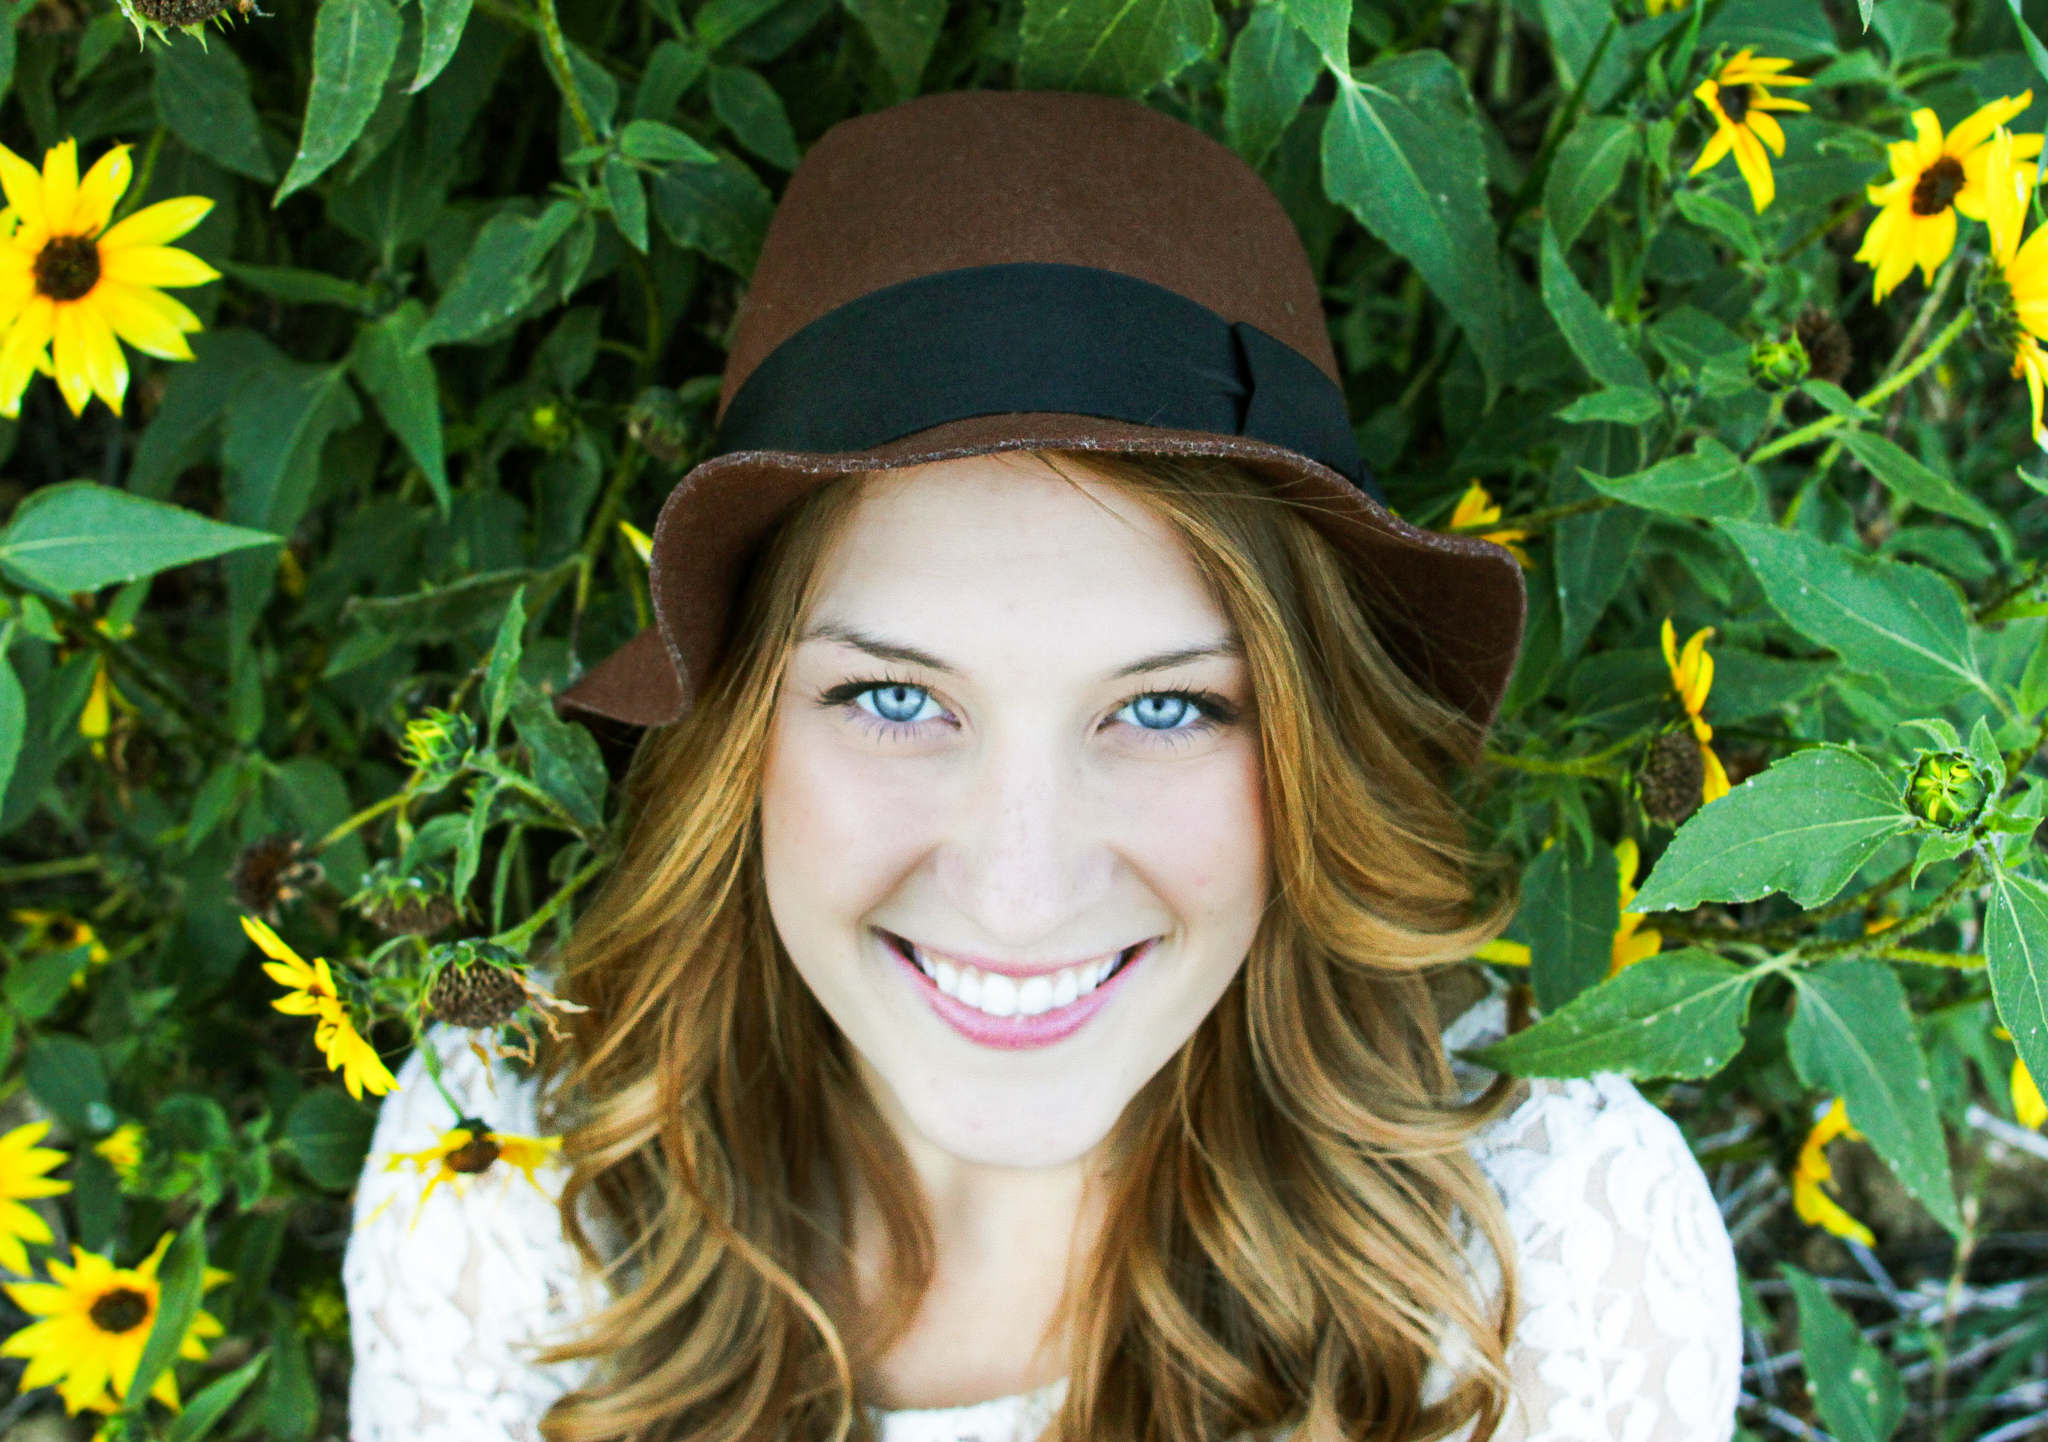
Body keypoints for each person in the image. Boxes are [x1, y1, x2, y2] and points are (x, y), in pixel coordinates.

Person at [343, 91, 1741, 1442]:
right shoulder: (514, 1179)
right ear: (738, 741)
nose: (1019, 892)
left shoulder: (1545, 1248)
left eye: (1169, 710)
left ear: (1311, 750)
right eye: (896, 695)